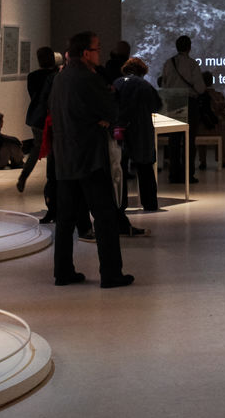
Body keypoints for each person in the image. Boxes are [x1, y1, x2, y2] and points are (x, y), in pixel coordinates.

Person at [51, 31, 135, 288]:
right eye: (97, 49)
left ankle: (63, 271)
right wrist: (105, 116)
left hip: (65, 157)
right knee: (105, 215)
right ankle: (111, 273)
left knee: (65, 218)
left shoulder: (61, 77)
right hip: (89, 157)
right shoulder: (88, 78)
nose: (100, 53)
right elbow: (110, 110)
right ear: (86, 53)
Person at [113, 56, 162, 213]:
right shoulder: (144, 85)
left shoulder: (117, 83)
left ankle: (120, 204)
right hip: (141, 131)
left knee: (120, 169)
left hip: (120, 130)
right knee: (145, 168)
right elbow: (157, 106)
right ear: (142, 71)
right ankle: (150, 204)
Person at [159, 34, 206, 182]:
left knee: (174, 140)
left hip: (173, 101)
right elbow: (200, 88)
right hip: (189, 102)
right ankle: (188, 174)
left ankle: (173, 174)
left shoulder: (168, 63)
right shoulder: (192, 64)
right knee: (189, 141)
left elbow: (164, 84)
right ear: (189, 47)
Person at [15, 46, 57, 193]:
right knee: (53, 149)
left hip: (36, 116)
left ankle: (24, 175)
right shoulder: (56, 76)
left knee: (37, 147)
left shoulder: (32, 76)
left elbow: (33, 95)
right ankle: (51, 181)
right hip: (51, 116)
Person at [196, 72, 225, 171]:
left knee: (200, 126)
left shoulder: (198, 96)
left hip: (202, 129)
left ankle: (203, 161)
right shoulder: (219, 95)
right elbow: (223, 112)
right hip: (217, 129)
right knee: (222, 129)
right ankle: (222, 160)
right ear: (212, 81)